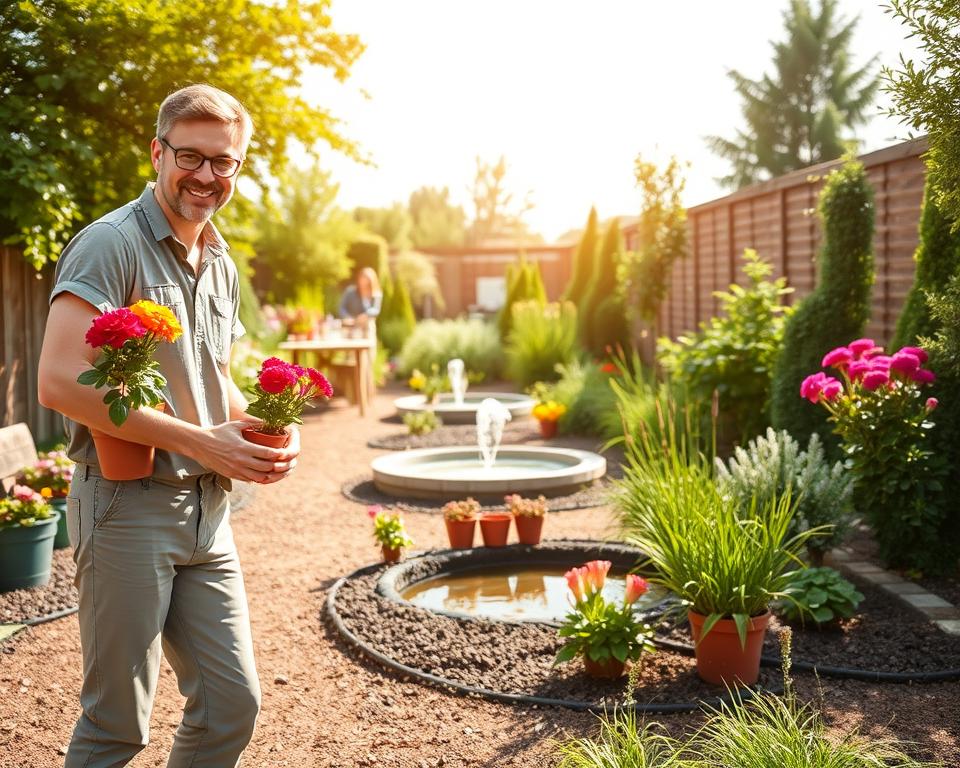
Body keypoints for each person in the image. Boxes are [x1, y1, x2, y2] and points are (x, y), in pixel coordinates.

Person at [37, 84, 298, 768]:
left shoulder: (219, 261)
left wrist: (270, 424)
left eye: (225, 162)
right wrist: (200, 440)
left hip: (208, 514)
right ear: (158, 152)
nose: (207, 176)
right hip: (126, 505)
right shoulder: (109, 244)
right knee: (115, 728)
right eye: (191, 156)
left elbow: (212, 382)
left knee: (230, 706)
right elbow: (58, 380)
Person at [338, 266, 382, 332]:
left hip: (367, 325)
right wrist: (347, 317)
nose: (363, 281)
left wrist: (366, 315)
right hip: (351, 324)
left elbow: (376, 309)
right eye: (362, 278)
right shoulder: (350, 291)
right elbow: (342, 307)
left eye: (366, 279)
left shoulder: (376, 293)